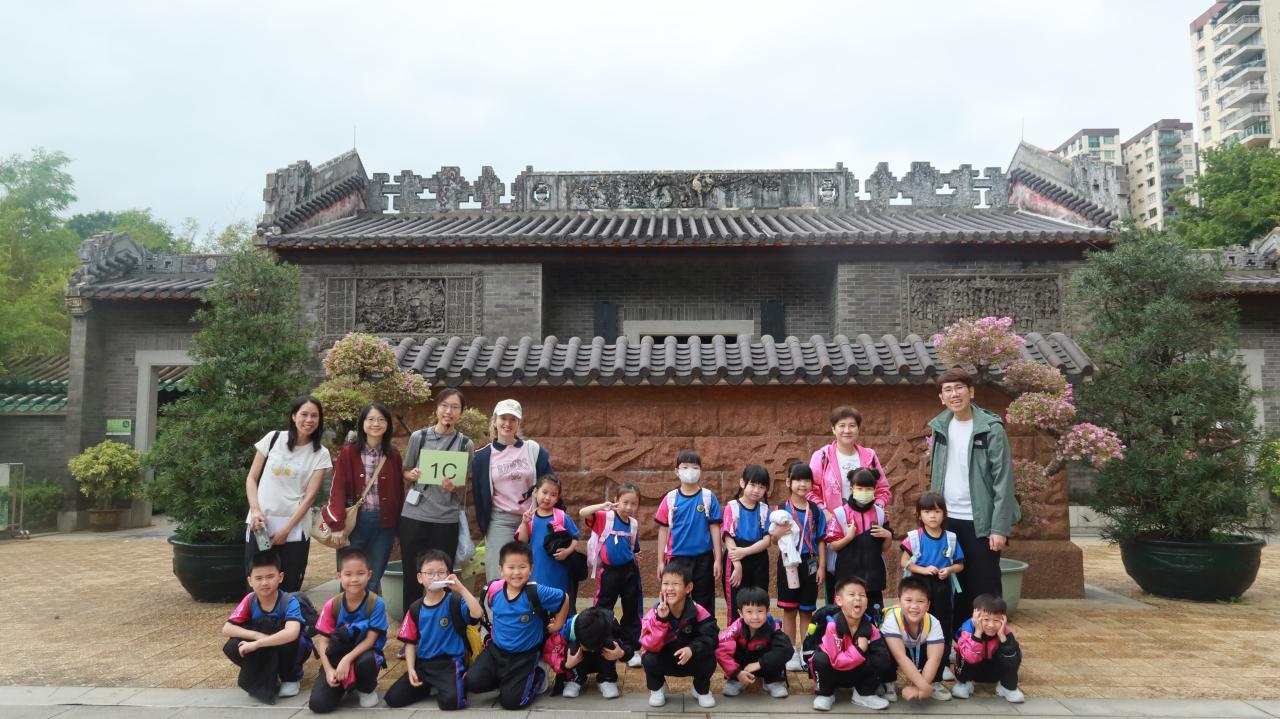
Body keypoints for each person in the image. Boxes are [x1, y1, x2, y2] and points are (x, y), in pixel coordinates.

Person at [928, 367, 1018, 627]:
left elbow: (1003, 480)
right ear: (941, 398)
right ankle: (958, 641)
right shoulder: (939, 427)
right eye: (948, 390)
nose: (954, 394)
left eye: (959, 388)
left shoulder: (990, 428)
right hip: (947, 521)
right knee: (953, 586)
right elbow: (936, 473)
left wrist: (999, 527)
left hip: (981, 523)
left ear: (971, 392)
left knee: (984, 587)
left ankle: (989, 642)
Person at [466, 541, 569, 710]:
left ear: (531, 568)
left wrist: (558, 624)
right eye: (510, 567)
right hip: (497, 651)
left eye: (522, 567)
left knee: (512, 703)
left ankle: (537, 676)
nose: (516, 572)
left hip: (525, 655)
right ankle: (508, 682)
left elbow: (564, 598)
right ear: (501, 569)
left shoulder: (536, 591)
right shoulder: (493, 589)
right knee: (472, 682)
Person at [244, 396, 332, 592]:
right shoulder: (273, 439)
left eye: (314, 416)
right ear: (293, 416)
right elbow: (251, 478)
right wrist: (255, 510)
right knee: (258, 584)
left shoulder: (321, 454)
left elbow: (310, 498)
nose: (309, 420)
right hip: (261, 524)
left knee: (289, 586)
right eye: (304, 414)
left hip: (294, 529)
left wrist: (286, 530)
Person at [400, 389, 476, 612]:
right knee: (412, 575)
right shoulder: (419, 437)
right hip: (414, 515)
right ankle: (411, 624)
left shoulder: (465, 444)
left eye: (455, 407)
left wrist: (454, 487)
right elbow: (405, 470)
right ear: (436, 408)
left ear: (461, 412)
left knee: (444, 577)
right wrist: (411, 474)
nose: (448, 411)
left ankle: (443, 621)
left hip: (445, 519)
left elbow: (465, 484)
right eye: (444, 405)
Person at [384, 549, 483, 711]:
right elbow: (410, 643)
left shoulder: (455, 601)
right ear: (420, 578)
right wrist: (411, 669)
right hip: (424, 665)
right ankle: (428, 687)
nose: (436, 577)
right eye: (429, 573)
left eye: (441, 572)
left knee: (452, 702)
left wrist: (461, 589)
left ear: (448, 575)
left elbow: (478, 614)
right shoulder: (415, 608)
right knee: (393, 699)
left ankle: (453, 682)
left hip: (450, 664)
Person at [324, 403, 404, 594]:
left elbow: (398, 491)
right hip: (355, 523)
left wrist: (399, 527)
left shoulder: (393, 455)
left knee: (374, 576)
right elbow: (337, 489)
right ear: (362, 423)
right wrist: (337, 525)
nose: (376, 424)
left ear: (387, 424)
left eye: (381, 420)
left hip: (384, 524)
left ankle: (369, 612)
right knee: (350, 576)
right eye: (371, 419)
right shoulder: (349, 453)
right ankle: (347, 612)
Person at [472, 399, 552, 582]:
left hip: (533, 518)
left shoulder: (533, 450)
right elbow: (478, 495)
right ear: (494, 421)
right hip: (501, 520)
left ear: (518, 423)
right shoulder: (482, 457)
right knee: (500, 574)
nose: (507, 423)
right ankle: (497, 603)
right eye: (503, 418)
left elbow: (549, 484)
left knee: (536, 571)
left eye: (513, 419)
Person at [309, 547, 389, 712]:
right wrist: (329, 670)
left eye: (360, 573)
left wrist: (347, 659)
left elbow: (371, 640)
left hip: (363, 655)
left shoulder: (376, 603)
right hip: (336, 657)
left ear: (369, 574)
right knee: (318, 704)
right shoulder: (332, 605)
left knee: (367, 661)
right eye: (348, 574)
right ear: (339, 576)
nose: (354, 579)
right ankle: (344, 684)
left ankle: (365, 689)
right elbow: (323, 642)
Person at [221, 550, 306, 704]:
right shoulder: (250, 600)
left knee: (295, 642)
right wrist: (257, 636)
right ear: (250, 581)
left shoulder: (289, 601)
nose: (264, 583)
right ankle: (265, 675)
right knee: (232, 646)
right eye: (258, 578)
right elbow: (227, 629)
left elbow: (292, 633)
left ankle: (290, 677)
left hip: (284, 646)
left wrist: (257, 644)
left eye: (270, 577)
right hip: (265, 644)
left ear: (280, 577)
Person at [900, 491, 964, 679]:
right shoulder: (914, 537)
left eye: (937, 511)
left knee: (943, 624)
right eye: (927, 512)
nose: (932, 516)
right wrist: (923, 569)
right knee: (918, 622)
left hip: (943, 587)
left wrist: (949, 570)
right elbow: (904, 562)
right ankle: (918, 662)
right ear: (919, 515)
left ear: (944, 514)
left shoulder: (950, 538)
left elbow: (960, 565)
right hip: (920, 587)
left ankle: (942, 665)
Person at [639, 560, 720, 708]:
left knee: (709, 658)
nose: (669, 588)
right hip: (665, 659)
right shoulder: (654, 612)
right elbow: (648, 645)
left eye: (675, 584)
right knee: (648, 657)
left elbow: (712, 638)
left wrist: (692, 649)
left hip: (690, 659)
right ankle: (657, 688)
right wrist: (661, 621)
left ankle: (700, 689)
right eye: (665, 583)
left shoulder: (699, 611)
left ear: (688, 587)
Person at [579, 482, 643, 665]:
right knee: (602, 608)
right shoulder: (604, 518)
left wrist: (634, 555)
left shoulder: (633, 524)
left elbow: (633, 547)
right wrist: (603, 506)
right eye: (625, 502)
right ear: (616, 500)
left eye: (633, 504)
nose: (629, 507)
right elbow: (583, 513)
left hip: (629, 572)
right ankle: (600, 643)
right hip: (609, 574)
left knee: (631, 610)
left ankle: (631, 649)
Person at [654, 450, 723, 617]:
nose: (690, 471)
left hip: (704, 559)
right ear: (677, 471)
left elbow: (715, 528)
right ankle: (675, 630)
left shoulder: (708, 497)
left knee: (704, 600)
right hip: (677, 558)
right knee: (675, 599)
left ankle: (705, 630)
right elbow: (663, 530)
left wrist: (718, 559)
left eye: (695, 467)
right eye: (685, 467)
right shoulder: (670, 499)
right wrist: (660, 561)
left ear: (700, 471)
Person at [809, 576, 892, 712]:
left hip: (857, 673)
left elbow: (883, 659)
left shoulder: (871, 629)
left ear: (867, 601)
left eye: (862, 595)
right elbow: (836, 661)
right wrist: (859, 650)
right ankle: (826, 694)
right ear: (839, 600)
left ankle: (863, 693)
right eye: (852, 594)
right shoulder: (832, 626)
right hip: (833, 673)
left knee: (880, 658)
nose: (858, 598)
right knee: (821, 658)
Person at [823, 467, 893, 624]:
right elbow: (832, 545)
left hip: (873, 581)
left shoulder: (880, 514)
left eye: (868, 489)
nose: (864, 492)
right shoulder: (840, 513)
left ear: (874, 489)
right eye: (860, 488)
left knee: (874, 623)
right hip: (847, 580)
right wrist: (848, 537)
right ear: (852, 488)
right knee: (845, 623)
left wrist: (888, 536)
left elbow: (884, 549)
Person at [774, 462, 826, 672]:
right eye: (797, 480)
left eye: (807, 480)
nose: (802, 484)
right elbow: (772, 538)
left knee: (807, 610)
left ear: (812, 484)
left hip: (810, 563)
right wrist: (778, 532)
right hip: (788, 562)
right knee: (789, 610)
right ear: (788, 482)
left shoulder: (816, 511)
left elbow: (821, 540)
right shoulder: (781, 509)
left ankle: (806, 651)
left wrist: (821, 567)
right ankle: (790, 652)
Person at [879, 576, 950, 703]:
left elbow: (934, 659)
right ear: (899, 602)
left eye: (920, 601)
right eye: (908, 600)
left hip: (919, 652)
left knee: (942, 649)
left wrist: (920, 687)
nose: (914, 606)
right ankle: (888, 683)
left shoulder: (933, 622)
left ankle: (933, 682)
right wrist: (924, 688)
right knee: (883, 647)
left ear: (928, 605)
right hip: (900, 653)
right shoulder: (892, 619)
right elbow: (900, 657)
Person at [515, 474, 580, 609]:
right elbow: (522, 540)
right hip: (536, 571)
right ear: (535, 492)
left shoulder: (561, 516)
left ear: (558, 498)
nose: (547, 498)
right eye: (544, 492)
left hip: (558, 572)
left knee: (558, 604)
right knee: (537, 605)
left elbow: (575, 537)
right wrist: (524, 523)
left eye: (553, 495)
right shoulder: (530, 517)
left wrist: (567, 551)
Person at [808, 406, 890, 511]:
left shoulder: (870, 456)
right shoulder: (822, 456)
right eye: (842, 426)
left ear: (858, 429)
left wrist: (877, 508)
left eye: (852, 426)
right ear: (833, 429)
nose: (847, 430)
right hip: (832, 519)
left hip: (865, 519)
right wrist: (823, 511)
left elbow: (883, 489)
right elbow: (810, 490)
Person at [715, 586, 792, 699]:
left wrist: (760, 664)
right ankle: (736, 680)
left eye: (760, 611)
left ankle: (773, 681)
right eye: (749, 612)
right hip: (743, 666)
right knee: (730, 646)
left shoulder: (772, 627)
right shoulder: (736, 628)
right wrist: (736, 672)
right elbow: (720, 648)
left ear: (767, 611)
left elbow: (787, 649)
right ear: (741, 613)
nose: (755, 617)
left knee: (779, 648)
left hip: (765, 665)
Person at [951, 594, 1024, 703]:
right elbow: (970, 657)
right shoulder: (968, 630)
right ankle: (964, 683)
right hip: (973, 671)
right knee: (965, 653)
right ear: (976, 616)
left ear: (1003, 618)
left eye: (996, 620)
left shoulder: (1005, 633)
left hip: (995, 672)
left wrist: (1002, 637)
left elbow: (1012, 661)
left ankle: (1007, 687)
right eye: (986, 619)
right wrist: (978, 633)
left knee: (1013, 654)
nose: (991, 625)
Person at [722, 465, 773, 624]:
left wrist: (745, 552)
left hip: (758, 559)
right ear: (742, 483)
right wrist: (737, 565)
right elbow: (728, 537)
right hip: (735, 559)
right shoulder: (732, 507)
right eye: (753, 485)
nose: (756, 490)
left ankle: (758, 635)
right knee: (737, 602)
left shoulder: (765, 510)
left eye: (762, 487)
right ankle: (736, 634)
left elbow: (767, 541)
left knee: (759, 600)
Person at [553, 606, 632, 699]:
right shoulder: (569, 627)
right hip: (578, 661)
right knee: (571, 648)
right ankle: (575, 679)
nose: (592, 651)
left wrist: (621, 653)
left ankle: (607, 679)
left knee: (612, 643)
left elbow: (629, 647)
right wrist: (566, 665)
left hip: (604, 657)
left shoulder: (611, 624)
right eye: (588, 648)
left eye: (593, 648)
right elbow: (552, 652)